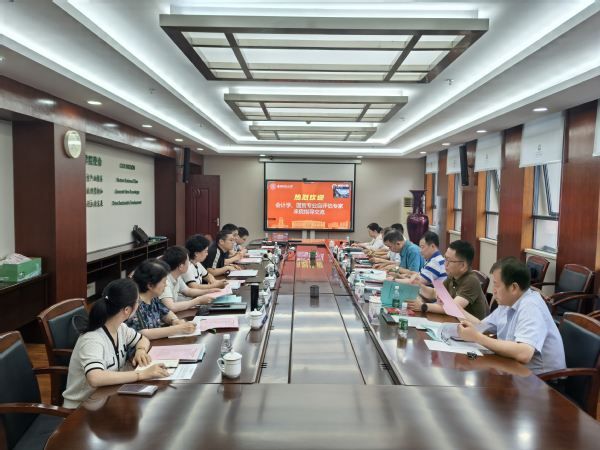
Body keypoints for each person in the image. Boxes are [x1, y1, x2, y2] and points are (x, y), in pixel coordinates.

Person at [62, 279, 169, 408]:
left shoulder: (120, 328)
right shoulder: (92, 339)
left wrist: (140, 351)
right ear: (126, 310)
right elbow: (95, 378)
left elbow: (143, 339)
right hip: (81, 408)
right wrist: (142, 374)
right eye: (138, 302)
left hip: (107, 398)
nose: (139, 304)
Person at [456, 257, 566, 376]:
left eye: (496, 285)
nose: (493, 290)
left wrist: (477, 337)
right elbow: (481, 325)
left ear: (514, 288)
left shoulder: (530, 307)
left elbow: (524, 354)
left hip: (542, 380)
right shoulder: (508, 301)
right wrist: (454, 308)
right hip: (516, 371)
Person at [125, 258, 199, 355]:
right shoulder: (134, 303)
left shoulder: (153, 297)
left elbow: (165, 313)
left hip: (157, 346)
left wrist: (175, 321)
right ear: (150, 286)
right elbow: (143, 333)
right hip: (140, 354)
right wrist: (179, 329)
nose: (166, 285)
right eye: (163, 282)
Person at [405, 240, 487, 320]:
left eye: (448, 260)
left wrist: (423, 306)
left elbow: (453, 308)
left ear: (462, 265)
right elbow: (434, 293)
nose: (445, 263)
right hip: (453, 322)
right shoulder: (452, 276)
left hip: (471, 327)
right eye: (445, 258)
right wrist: (419, 285)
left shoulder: (471, 281)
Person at [159, 246, 218, 312]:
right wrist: (198, 301)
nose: (189, 264)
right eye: (188, 261)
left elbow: (188, 291)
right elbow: (171, 307)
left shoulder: (177, 276)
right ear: (180, 267)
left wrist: (208, 291)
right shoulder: (164, 281)